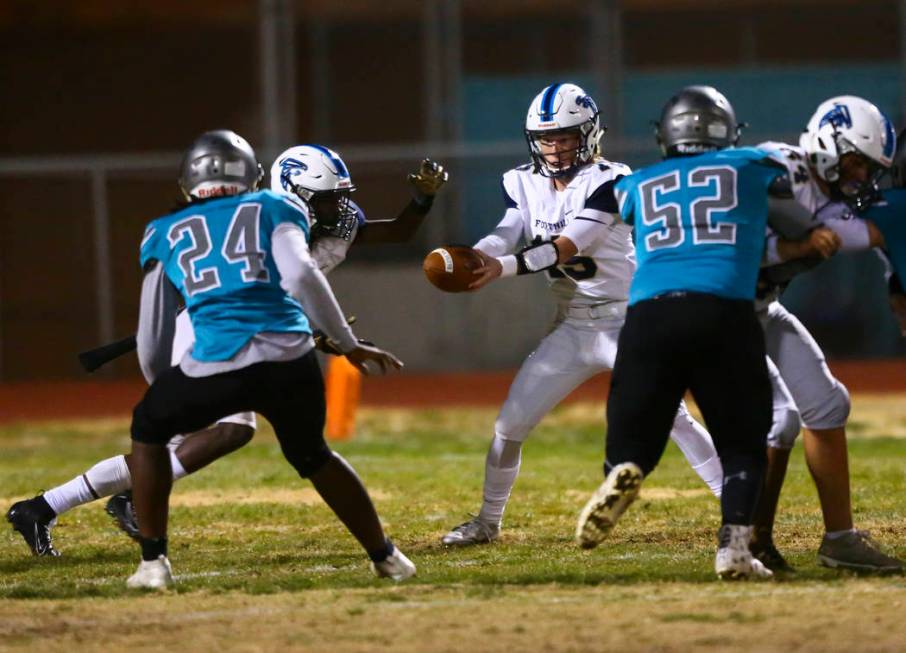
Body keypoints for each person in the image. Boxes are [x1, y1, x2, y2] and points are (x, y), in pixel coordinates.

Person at [5, 144, 446, 557]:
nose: (342, 207)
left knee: (180, 445)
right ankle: (127, 498)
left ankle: (44, 507)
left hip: (243, 327)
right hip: (206, 324)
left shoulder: (326, 222)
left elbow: (393, 233)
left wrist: (421, 200)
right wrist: (321, 338)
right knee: (232, 429)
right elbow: (261, 298)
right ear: (297, 194)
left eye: (341, 196)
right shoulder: (267, 221)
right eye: (330, 198)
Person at [441, 82, 725, 548]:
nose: (555, 149)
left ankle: (739, 511)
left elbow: (569, 245)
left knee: (673, 418)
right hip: (573, 325)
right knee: (508, 426)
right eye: (547, 139)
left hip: (627, 320)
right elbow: (507, 230)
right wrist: (474, 255)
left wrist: (502, 268)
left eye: (566, 138)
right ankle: (488, 522)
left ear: (589, 135)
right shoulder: (523, 182)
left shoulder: (611, 179)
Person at [574, 86, 820, 580]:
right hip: (723, 311)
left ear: (665, 135)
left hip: (649, 315)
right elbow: (799, 222)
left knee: (635, 431)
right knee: (742, 443)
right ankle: (734, 549)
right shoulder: (752, 165)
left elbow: (608, 208)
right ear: (726, 132)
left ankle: (625, 468)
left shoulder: (635, 184)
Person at [749, 96, 903, 572]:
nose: (860, 178)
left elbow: (876, 237)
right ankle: (749, 541)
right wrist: (794, 245)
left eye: (867, 169)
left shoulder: (830, 201)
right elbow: (737, 243)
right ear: (827, 144)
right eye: (856, 163)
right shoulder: (772, 169)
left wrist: (896, 282)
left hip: (760, 308)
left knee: (826, 403)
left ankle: (840, 540)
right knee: (779, 420)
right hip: (716, 312)